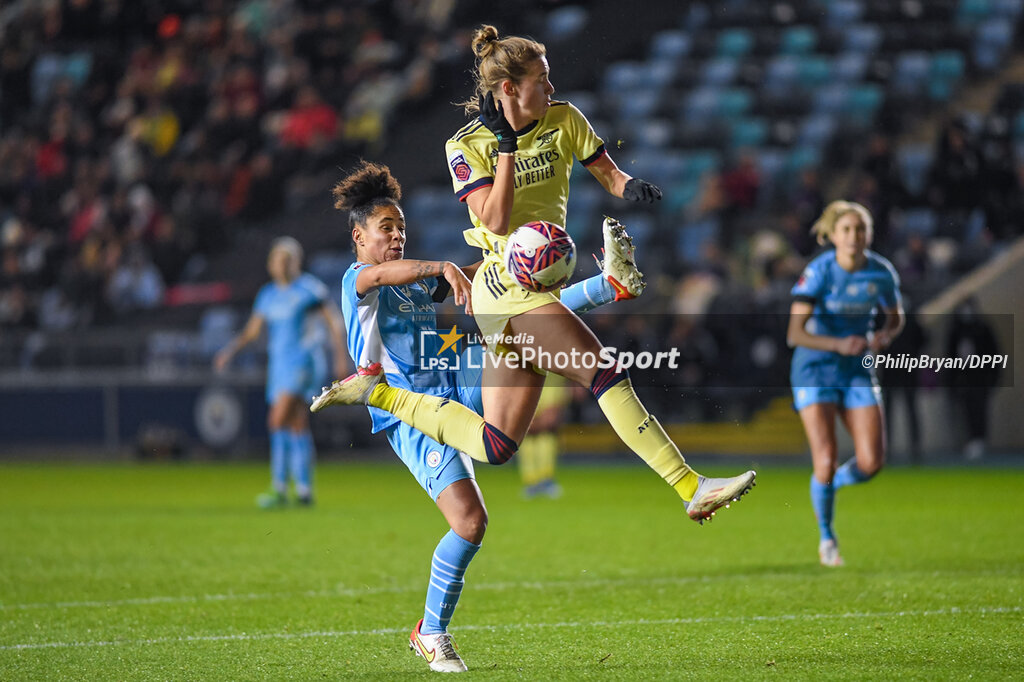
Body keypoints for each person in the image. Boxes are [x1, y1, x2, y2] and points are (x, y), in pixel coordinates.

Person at [316, 21, 754, 567]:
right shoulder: (467, 145)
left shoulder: (565, 118)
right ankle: (690, 486)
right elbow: (496, 221)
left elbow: (609, 174)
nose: (551, 87)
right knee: (602, 371)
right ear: (508, 89)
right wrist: (504, 146)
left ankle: (384, 395)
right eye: (541, 79)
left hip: (539, 273)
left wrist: (631, 188)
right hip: (503, 286)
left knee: (499, 444)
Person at [326, 160, 645, 673]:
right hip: (412, 414)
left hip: (454, 375)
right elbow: (388, 273)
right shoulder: (357, 280)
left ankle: (608, 284)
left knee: (516, 320)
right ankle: (430, 633)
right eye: (387, 228)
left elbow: (477, 281)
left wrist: (509, 261)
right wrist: (442, 267)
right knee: (471, 522)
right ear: (358, 237)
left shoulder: (409, 284)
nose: (397, 236)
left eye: (401, 228)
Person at [787, 200, 905, 567]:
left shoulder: (881, 273)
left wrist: (885, 335)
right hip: (815, 368)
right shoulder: (818, 272)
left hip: (856, 369)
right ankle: (827, 538)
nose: (854, 236)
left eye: (861, 229)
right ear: (834, 236)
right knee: (825, 459)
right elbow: (795, 334)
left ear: (869, 234)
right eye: (848, 230)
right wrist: (838, 343)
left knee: (871, 463)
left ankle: (829, 486)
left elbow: (896, 318)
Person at [214, 237, 347, 507]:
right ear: (270, 265)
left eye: (287, 260)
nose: (282, 265)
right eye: (277, 260)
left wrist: (340, 356)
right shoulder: (268, 295)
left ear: (296, 262)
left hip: (304, 363)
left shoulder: (309, 289)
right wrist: (230, 350)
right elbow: (253, 331)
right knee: (297, 423)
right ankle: (304, 489)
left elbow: (334, 321)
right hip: (280, 365)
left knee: (277, 420)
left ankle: (278, 487)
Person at [518, 373, 571, 498]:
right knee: (528, 434)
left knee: (547, 431)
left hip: (551, 388)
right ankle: (532, 480)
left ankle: (545, 478)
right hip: (527, 387)